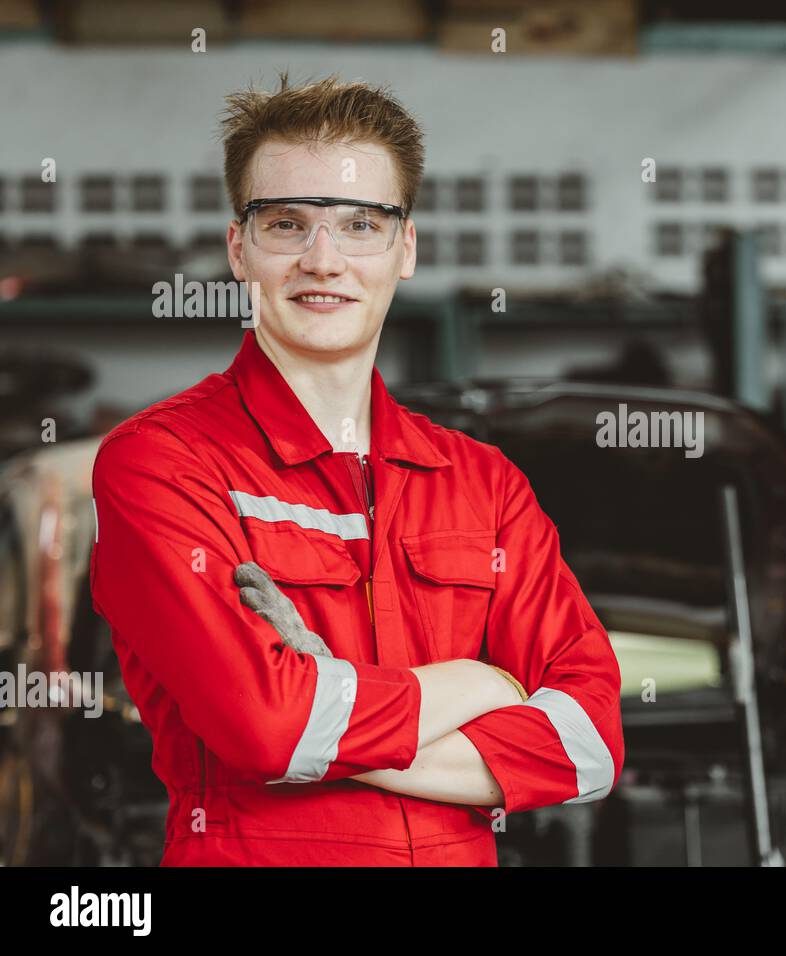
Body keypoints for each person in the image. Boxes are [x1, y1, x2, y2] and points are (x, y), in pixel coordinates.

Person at [89, 74, 624, 866]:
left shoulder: (483, 483)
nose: (323, 260)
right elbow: (269, 728)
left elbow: (588, 745)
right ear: (239, 250)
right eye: (286, 224)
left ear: (405, 249)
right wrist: (482, 684)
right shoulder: (161, 464)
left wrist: (327, 693)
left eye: (361, 224)